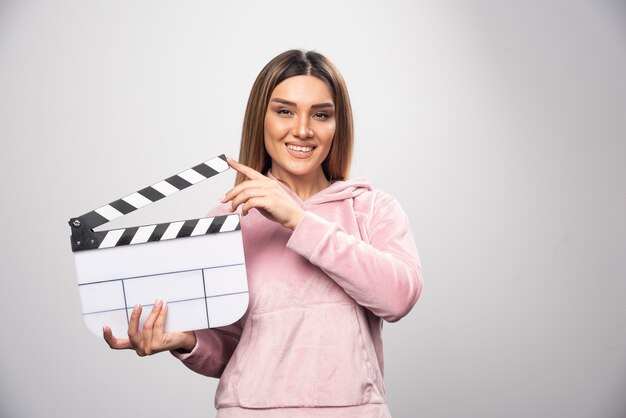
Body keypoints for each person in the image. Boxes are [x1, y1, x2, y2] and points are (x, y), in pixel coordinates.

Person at [103, 49, 423, 417]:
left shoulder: (372, 210)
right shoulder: (229, 217)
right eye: (284, 111)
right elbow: (231, 347)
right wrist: (187, 340)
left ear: (338, 126)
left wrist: (299, 220)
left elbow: (398, 297)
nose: (302, 129)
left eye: (321, 114)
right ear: (261, 118)